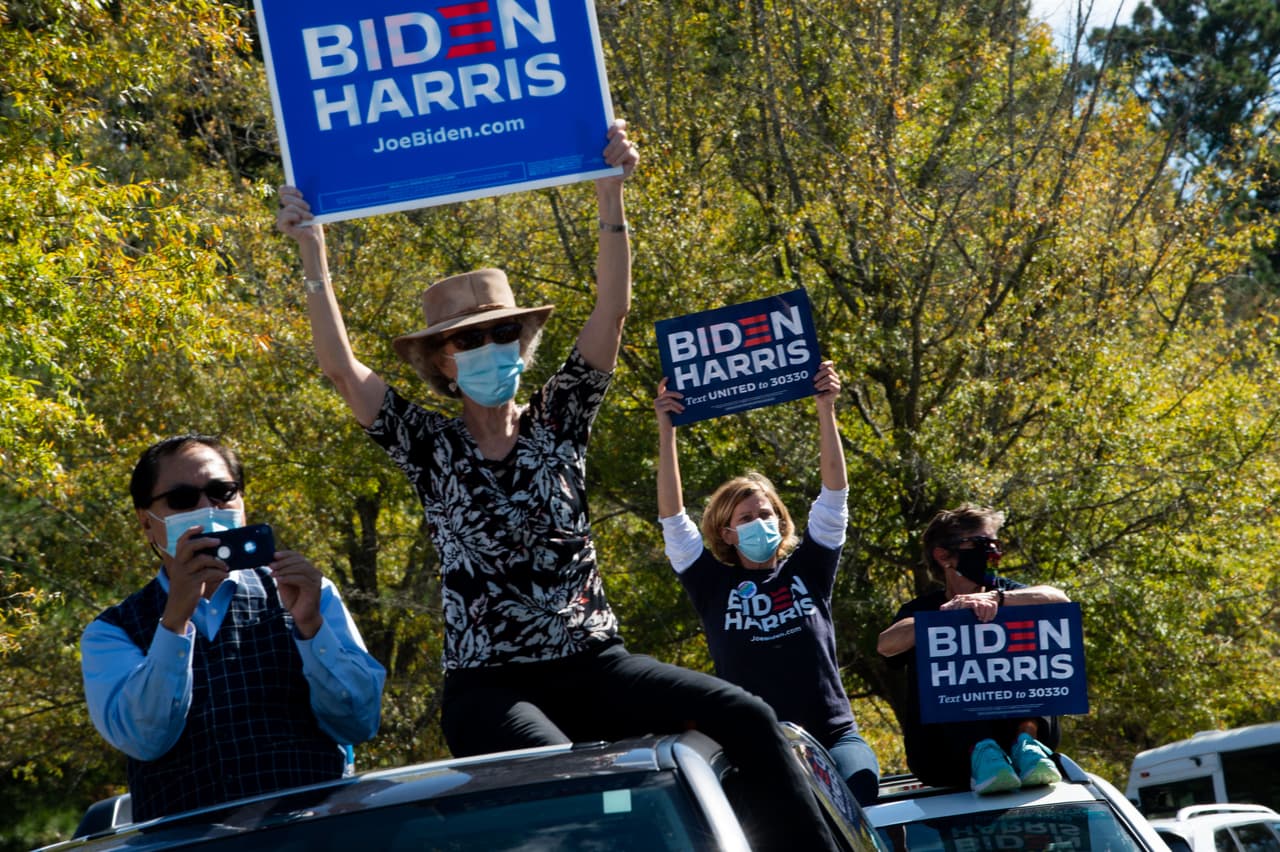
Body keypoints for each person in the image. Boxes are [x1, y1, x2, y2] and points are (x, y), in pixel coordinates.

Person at [276, 121, 841, 851]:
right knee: (565, 779)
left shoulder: (560, 417)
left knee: (750, 718)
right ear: (442, 363)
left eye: (502, 335)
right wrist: (313, 253)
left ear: (523, 345)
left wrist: (610, 193)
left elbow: (612, 310)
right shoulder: (430, 445)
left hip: (596, 664)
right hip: (491, 688)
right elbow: (340, 370)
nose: (489, 349)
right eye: (469, 340)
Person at [81, 435, 386, 821]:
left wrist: (311, 626)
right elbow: (145, 739)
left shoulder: (309, 592)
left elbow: (359, 721)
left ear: (241, 501)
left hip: (310, 837)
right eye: (182, 499)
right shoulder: (111, 632)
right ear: (147, 521)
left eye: (222, 491)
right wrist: (174, 622)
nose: (207, 507)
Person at [653, 363, 881, 805]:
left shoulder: (809, 569)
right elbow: (673, 522)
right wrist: (667, 433)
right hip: (762, 747)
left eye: (766, 514)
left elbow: (835, 498)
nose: (759, 522)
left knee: (861, 794)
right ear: (726, 532)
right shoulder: (710, 584)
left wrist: (826, 408)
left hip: (836, 738)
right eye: (746, 518)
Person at [876, 504, 1070, 793]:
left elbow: (1059, 601)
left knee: (1035, 664)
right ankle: (982, 753)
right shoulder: (922, 609)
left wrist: (999, 599)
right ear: (943, 556)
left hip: (1026, 740)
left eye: (996, 544)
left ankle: (1028, 747)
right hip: (944, 758)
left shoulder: (1011, 594)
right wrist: (946, 616)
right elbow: (885, 646)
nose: (993, 553)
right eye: (982, 544)